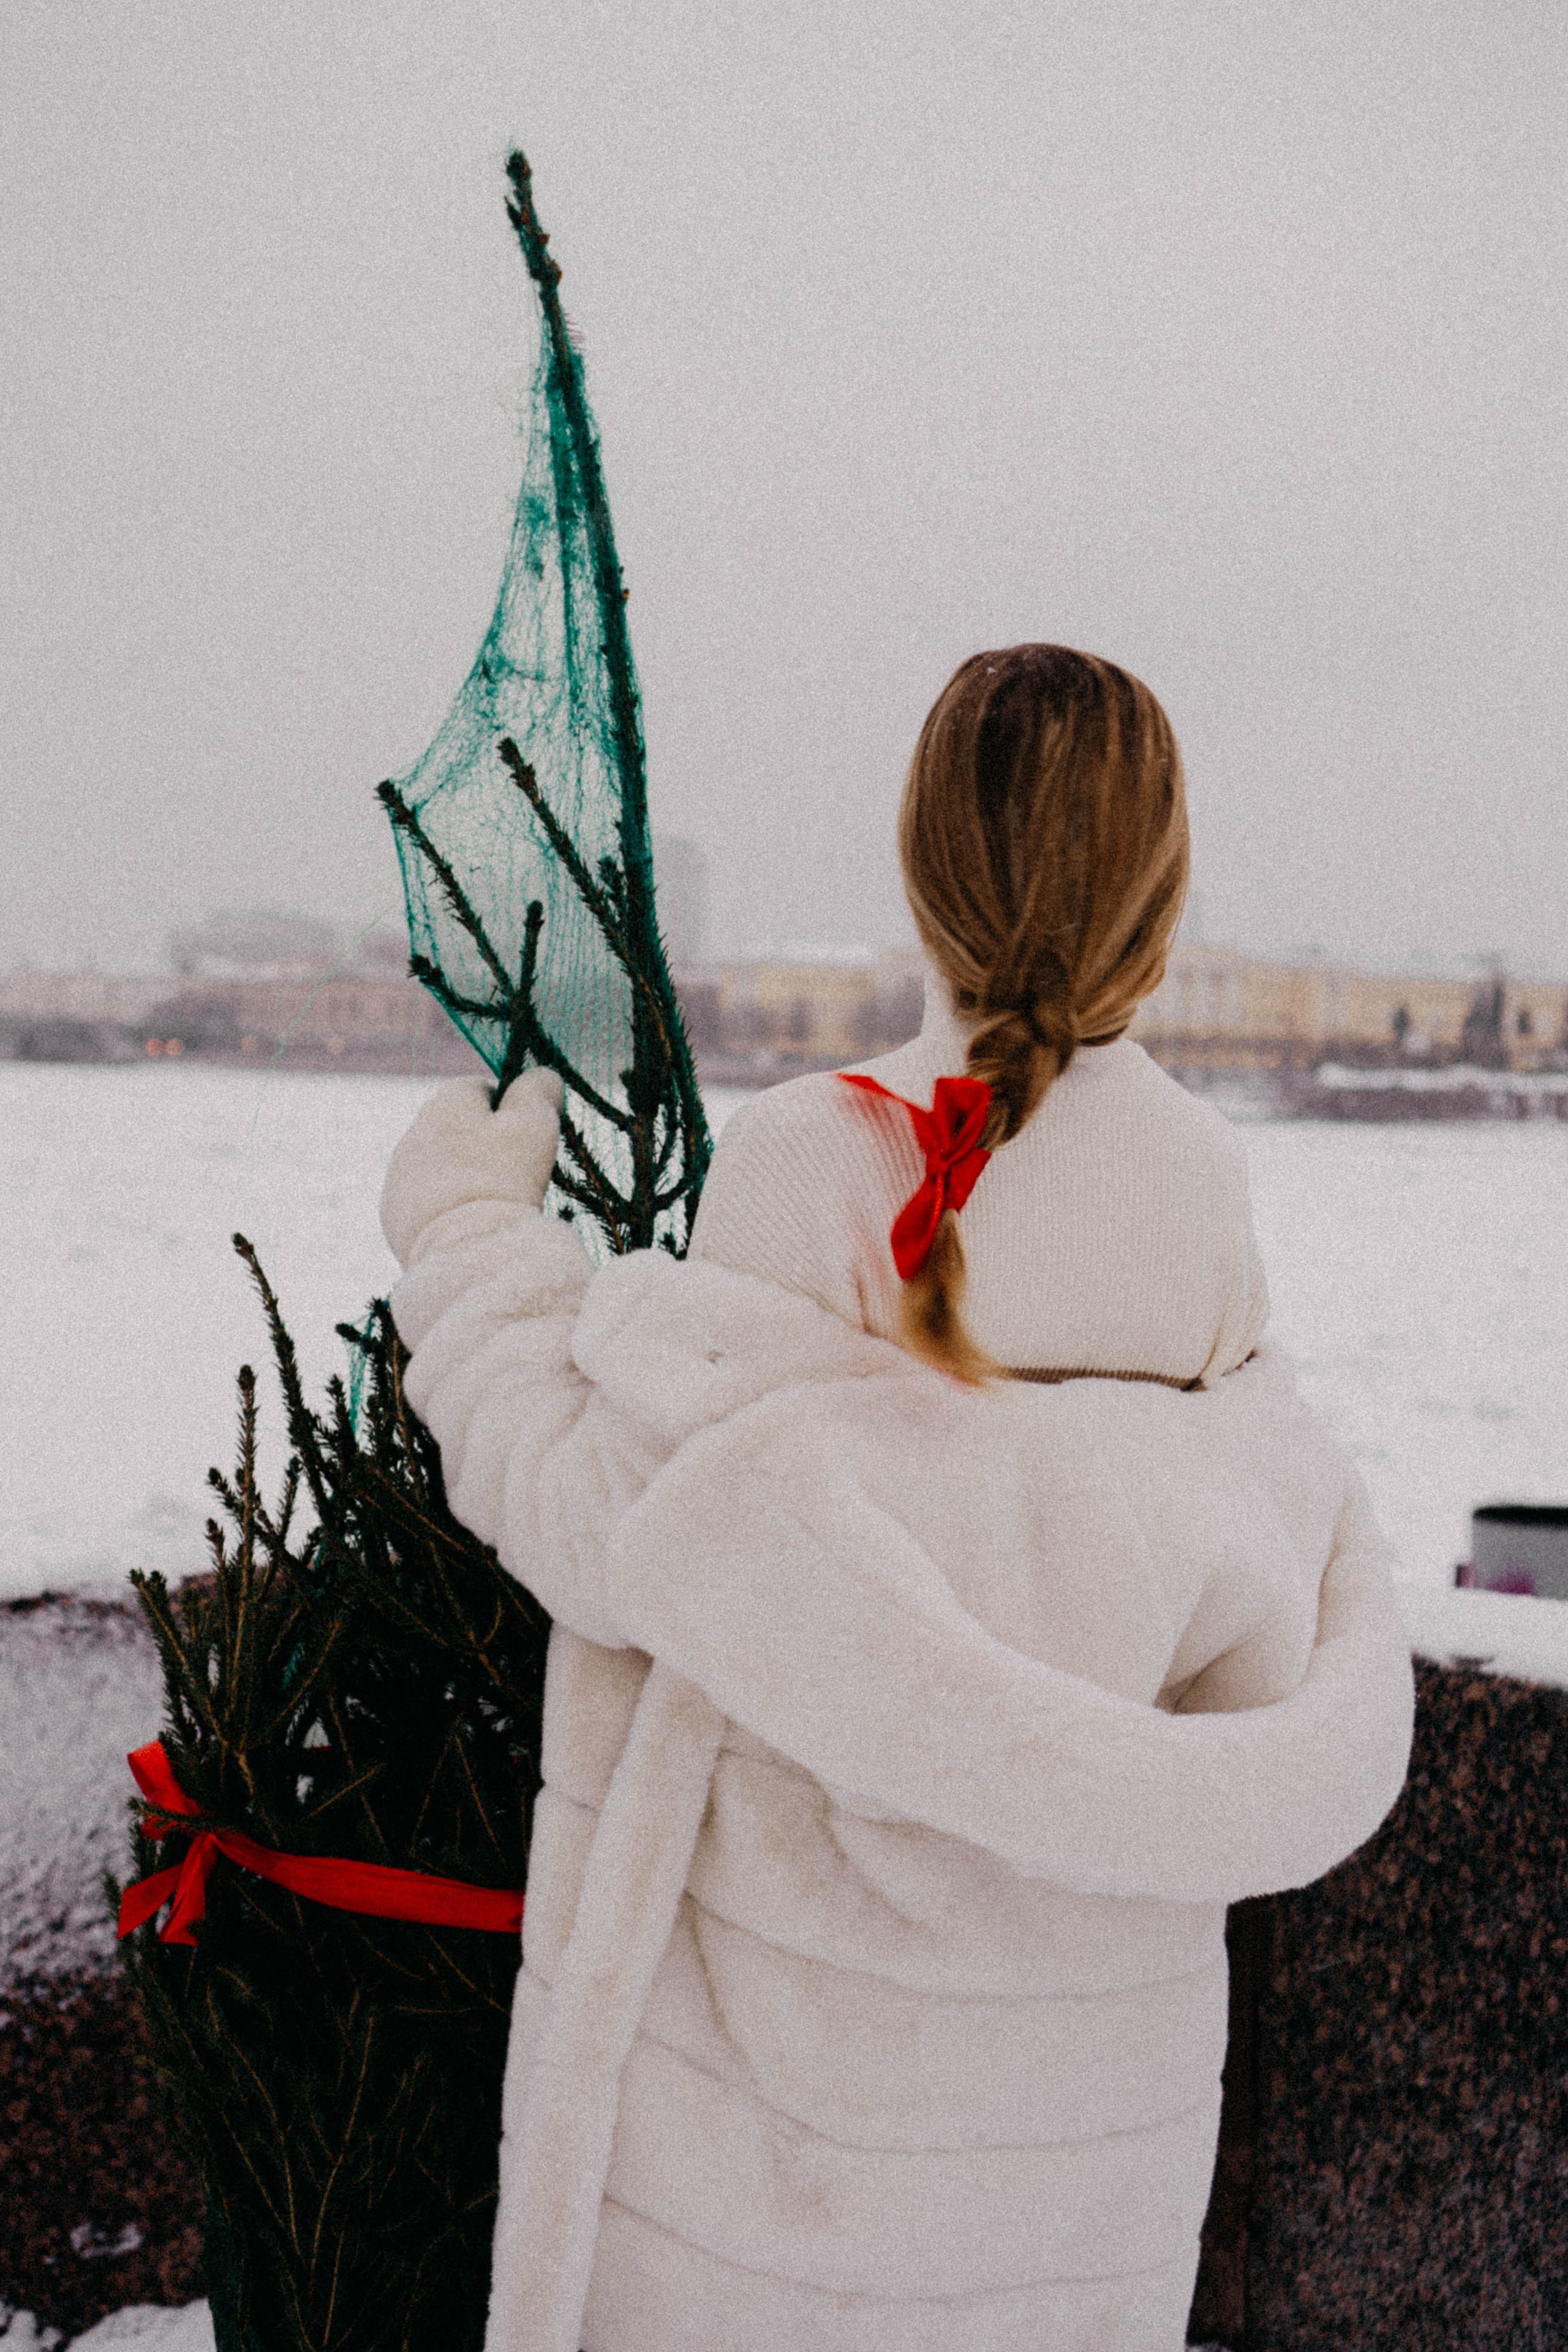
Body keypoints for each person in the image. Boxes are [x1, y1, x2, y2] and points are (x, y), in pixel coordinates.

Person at [380, 644, 1413, 2352]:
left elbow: (619, 1523)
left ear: (922, 860)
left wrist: (470, 1235)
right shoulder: (1202, 1202)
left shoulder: (811, 1165)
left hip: (785, 2123)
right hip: (1080, 2132)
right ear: (1162, 882)